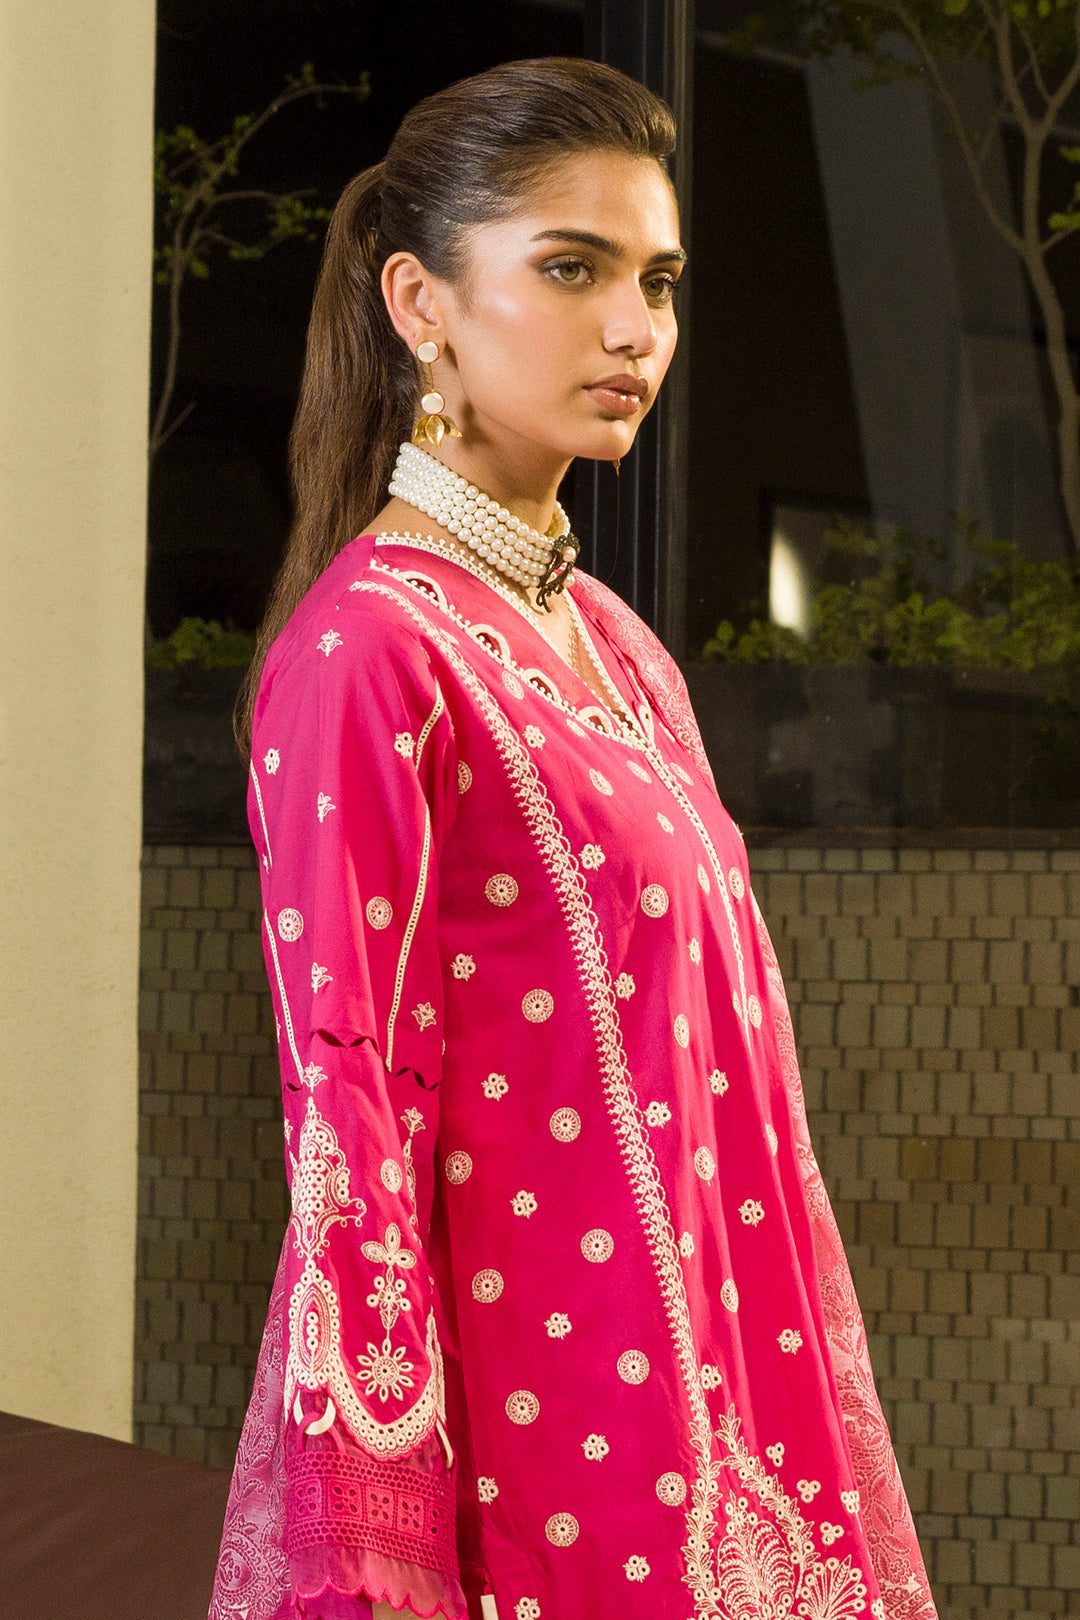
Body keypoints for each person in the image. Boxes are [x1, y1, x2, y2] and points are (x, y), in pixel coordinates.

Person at [208, 56, 937, 1620]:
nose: (634, 328)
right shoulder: (368, 653)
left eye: (656, 281)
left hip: (733, 1420)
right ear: (420, 303)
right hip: (542, 1462)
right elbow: (349, 1127)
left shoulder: (618, 646)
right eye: (570, 269)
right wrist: (382, 1540)